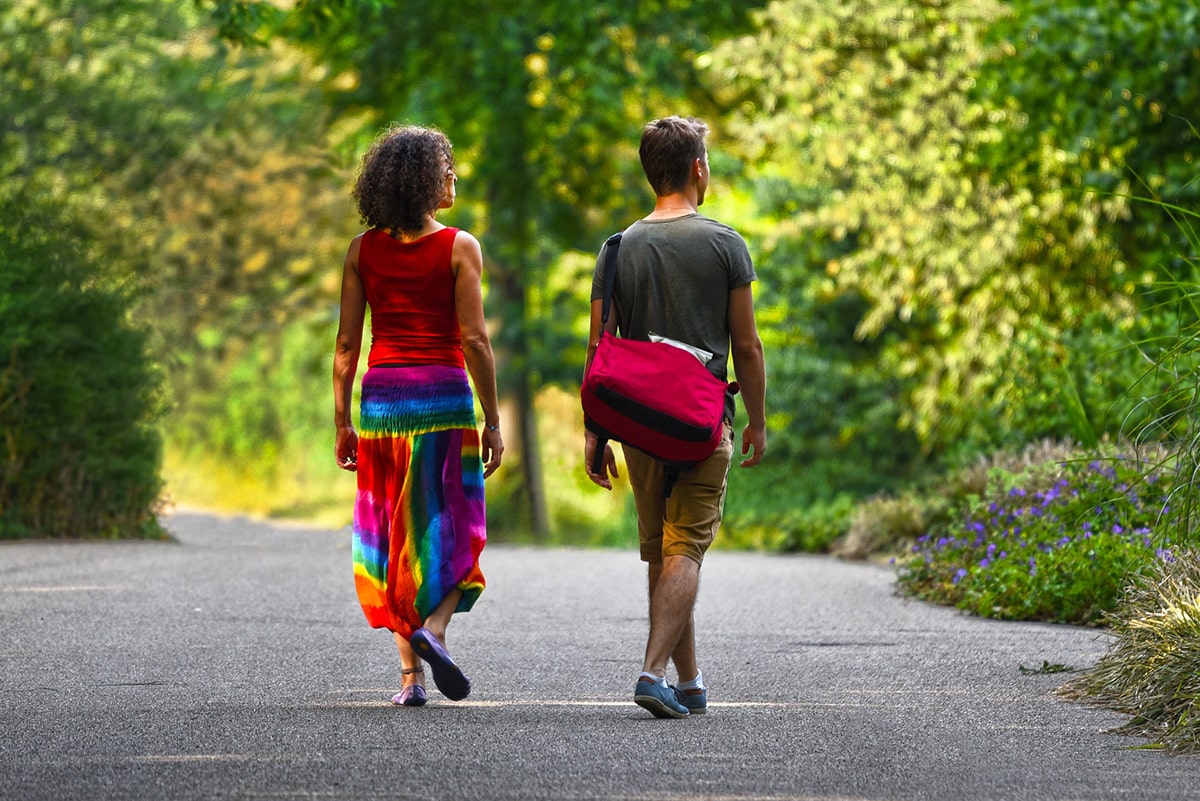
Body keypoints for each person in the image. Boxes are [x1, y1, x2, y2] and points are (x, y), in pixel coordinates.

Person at [583, 116, 767, 719]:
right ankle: (651, 671)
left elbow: (599, 348)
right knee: (685, 546)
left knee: (664, 551)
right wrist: (758, 421)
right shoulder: (724, 244)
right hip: (701, 418)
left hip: (639, 427)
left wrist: (596, 431)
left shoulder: (618, 248)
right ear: (697, 168)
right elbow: (749, 346)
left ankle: (687, 681)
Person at [333, 124, 503, 707]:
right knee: (454, 527)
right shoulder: (460, 246)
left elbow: (346, 348)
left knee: (392, 533)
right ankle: (434, 631)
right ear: (428, 181)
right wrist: (494, 421)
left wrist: (342, 421)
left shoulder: (361, 251)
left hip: (382, 404)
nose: (454, 177)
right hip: (444, 402)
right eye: (447, 168)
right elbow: (476, 340)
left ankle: (410, 680)